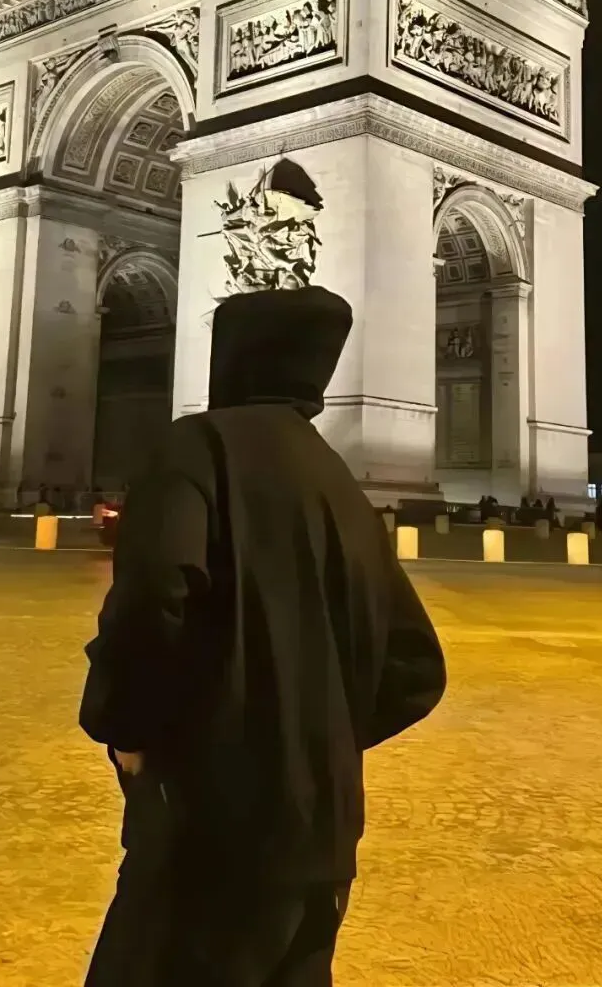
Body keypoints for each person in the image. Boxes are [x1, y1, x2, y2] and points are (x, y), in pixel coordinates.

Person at [78, 285, 446, 986]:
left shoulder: (195, 447)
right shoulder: (340, 482)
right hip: (324, 835)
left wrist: (126, 727)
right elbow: (416, 666)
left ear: (232, 357)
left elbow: (154, 598)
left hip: (211, 827)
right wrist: (315, 738)